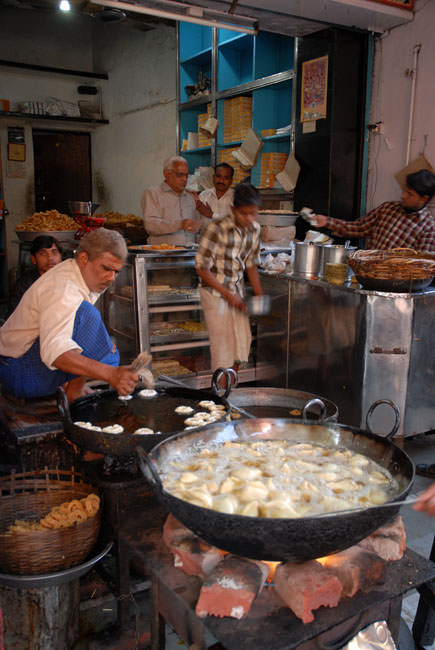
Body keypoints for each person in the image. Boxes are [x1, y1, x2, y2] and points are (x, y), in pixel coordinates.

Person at [0, 228, 140, 402]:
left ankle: (74, 390)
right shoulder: (62, 287)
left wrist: (79, 382)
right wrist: (111, 374)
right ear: (83, 259)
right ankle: (73, 391)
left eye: (116, 271)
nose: (112, 278)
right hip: (18, 371)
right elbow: (55, 351)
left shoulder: (85, 277)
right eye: (106, 268)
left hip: (32, 362)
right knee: (88, 315)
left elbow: (82, 338)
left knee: (93, 330)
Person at [196, 182, 263, 376]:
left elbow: (250, 264)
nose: (249, 219)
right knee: (223, 347)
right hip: (214, 293)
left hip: (236, 293)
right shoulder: (217, 228)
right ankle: (220, 397)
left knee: (241, 344)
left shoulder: (255, 229)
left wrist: (259, 295)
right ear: (233, 209)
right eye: (244, 214)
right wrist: (227, 294)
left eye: (254, 213)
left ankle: (230, 392)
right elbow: (201, 268)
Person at [312, 170, 435, 250]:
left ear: (424, 198)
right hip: (369, 276)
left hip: (398, 285)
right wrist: (328, 222)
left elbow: (421, 267)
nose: (403, 196)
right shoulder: (388, 208)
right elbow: (360, 227)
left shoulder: (428, 228)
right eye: (404, 190)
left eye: (409, 194)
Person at [141, 156, 200, 246]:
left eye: (186, 175)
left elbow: (196, 228)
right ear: (166, 174)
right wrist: (179, 225)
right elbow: (151, 225)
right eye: (180, 175)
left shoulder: (190, 198)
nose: (184, 179)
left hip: (189, 255)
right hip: (162, 256)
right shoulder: (153, 193)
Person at [7, 235, 62, 317]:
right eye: (43, 254)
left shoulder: (68, 279)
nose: (50, 258)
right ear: (33, 259)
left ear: (61, 256)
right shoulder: (25, 285)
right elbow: (12, 319)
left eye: (54, 252)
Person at [193, 163, 235, 227]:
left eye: (226, 178)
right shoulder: (203, 196)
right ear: (213, 177)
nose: (221, 181)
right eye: (218, 176)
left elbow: (237, 223)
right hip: (205, 236)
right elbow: (195, 223)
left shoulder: (237, 198)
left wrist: (211, 215)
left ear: (231, 181)